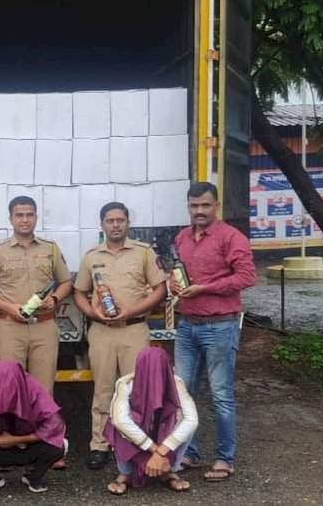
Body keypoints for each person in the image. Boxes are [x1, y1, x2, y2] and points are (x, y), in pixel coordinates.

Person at [170, 182, 256, 481]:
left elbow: (247, 276)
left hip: (220, 325)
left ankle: (224, 458)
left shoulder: (232, 238)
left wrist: (205, 288)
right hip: (186, 326)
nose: (199, 211)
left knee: (221, 395)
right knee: (183, 394)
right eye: (194, 206)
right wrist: (174, 285)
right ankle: (190, 454)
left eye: (205, 205)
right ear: (188, 206)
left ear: (216, 205)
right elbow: (177, 274)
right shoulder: (182, 237)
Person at [73, 201, 167, 470]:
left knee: (137, 390)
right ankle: (99, 445)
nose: (115, 225)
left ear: (128, 223)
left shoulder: (144, 253)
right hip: (102, 331)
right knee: (103, 390)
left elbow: (160, 289)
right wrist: (92, 311)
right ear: (101, 224)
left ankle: (135, 443)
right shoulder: (92, 256)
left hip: (134, 329)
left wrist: (132, 310)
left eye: (120, 220)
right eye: (110, 221)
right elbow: (79, 291)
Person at [0, 196, 73, 395]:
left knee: (43, 390)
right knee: (9, 388)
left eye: (29, 215)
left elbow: (66, 282)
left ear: (36, 218)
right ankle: (11, 428)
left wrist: (53, 299)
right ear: (10, 219)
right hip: (10, 327)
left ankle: (41, 427)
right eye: (19, 215)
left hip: (44, 326)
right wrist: (8, 307)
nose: (25, 220)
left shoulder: (50, 248)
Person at [0, 360, 67, 494]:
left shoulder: (35, 390)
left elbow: (55, 427)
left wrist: (16, 440)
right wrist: (0, 438)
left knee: (60, 444)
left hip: (28, 446)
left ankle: (34, 476)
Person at [104, 346, 198, 495]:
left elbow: (192, 420)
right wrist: (155, 450)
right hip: (142, 438)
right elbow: (120, 421)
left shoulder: (176, 382)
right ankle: (125, 473)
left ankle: (169, 471)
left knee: (184, 424)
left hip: (162, 438)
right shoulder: (125, 383)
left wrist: (162, 451)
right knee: (116, 423)